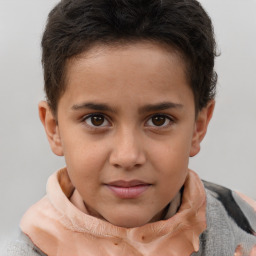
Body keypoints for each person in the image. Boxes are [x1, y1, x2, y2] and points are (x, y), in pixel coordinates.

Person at [4, 0, 256, 255]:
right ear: (53, 128)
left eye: (158, 120)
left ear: (198, 127)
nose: (127, 156)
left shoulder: (247, 229)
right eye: (97, 120)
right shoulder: (26, 249)